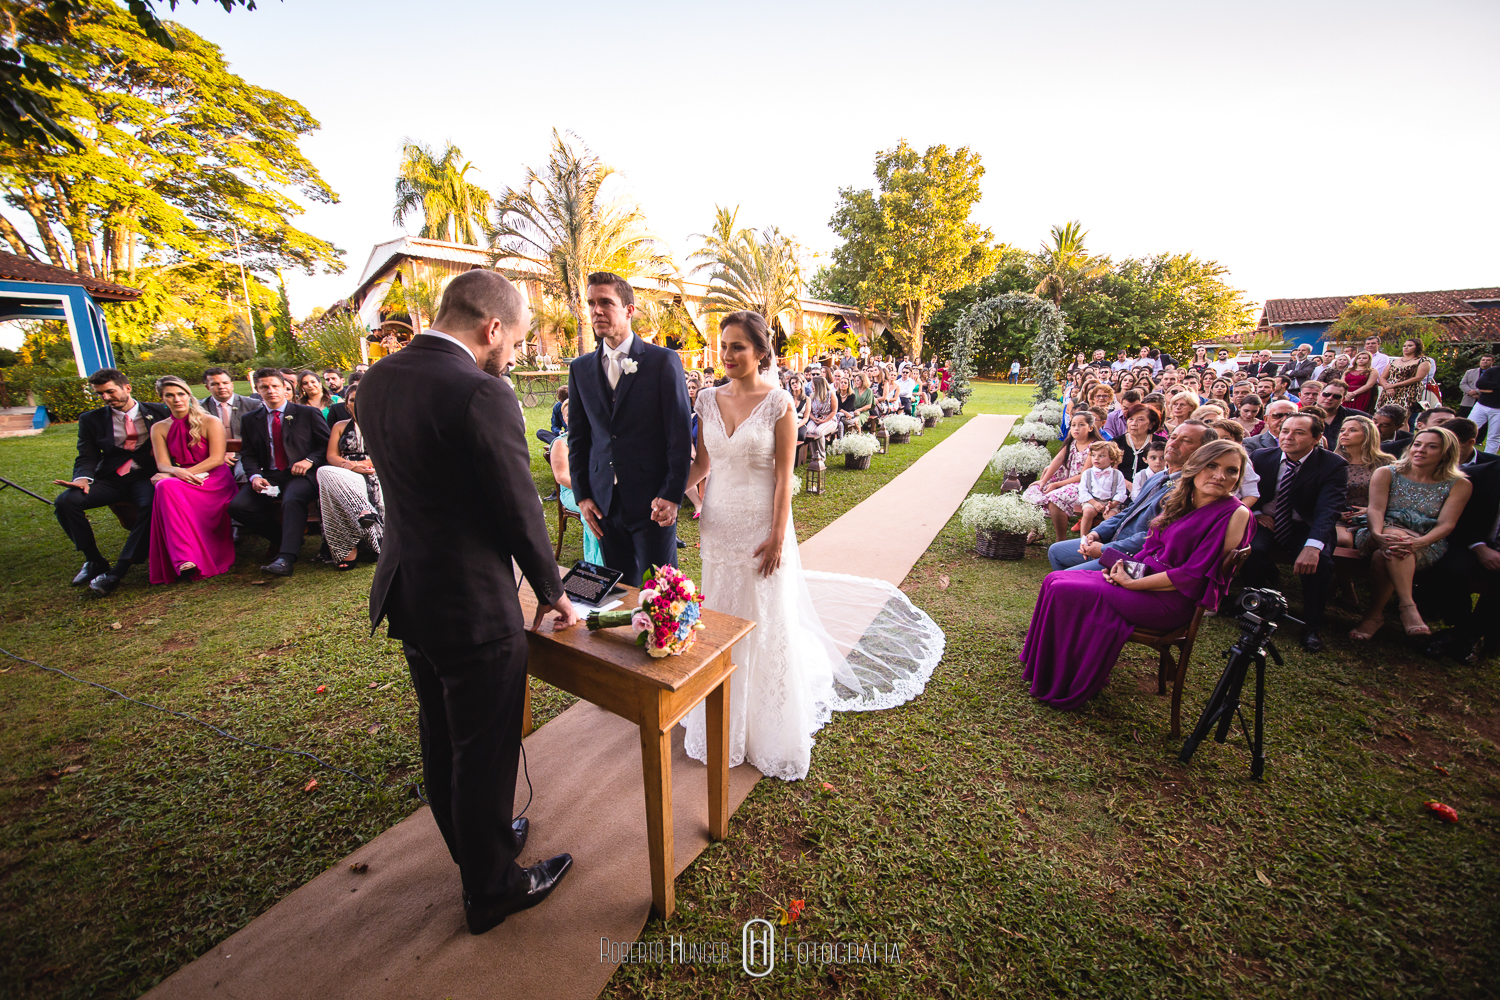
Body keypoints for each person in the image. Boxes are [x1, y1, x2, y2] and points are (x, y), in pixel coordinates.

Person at [358, 269, 578, 935]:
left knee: (442, 736)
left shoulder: (377, 380)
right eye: (512, 341)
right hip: (471, 603)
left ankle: (476, 845)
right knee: (484, 749)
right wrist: (554, 591)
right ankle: (492, 890)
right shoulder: (481, 391)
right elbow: (518, 508)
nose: (512, 354)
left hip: (408, 591)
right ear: (490, 328)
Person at [681, 311, 942, 779]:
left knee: (763, 620)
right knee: (721, 616)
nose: (728, 355)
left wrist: (778, 535)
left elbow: (785, 476)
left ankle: (765, 726)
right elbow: (703, 462)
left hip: (764, 525)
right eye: (723, 346)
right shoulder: (705, 399)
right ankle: (720, 715)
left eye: (738, 346)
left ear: (761, 352)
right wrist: (670, 492)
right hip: (718, 527)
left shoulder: (779, 402)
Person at [1022, 440, 1254, 710]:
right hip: (1143, 577)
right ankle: (1044, 665)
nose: (1219, 476)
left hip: (1170, 599)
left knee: (1065, 589)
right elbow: (1151, 549)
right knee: (1054, 579)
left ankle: (1066, 679)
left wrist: (1134, 583)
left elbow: (1193, 576)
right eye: (1212, 466)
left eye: (1231, 471)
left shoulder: (1235, 514)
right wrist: (1119, 569)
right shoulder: (1183, 499)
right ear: (1195, 467)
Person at [566, 271, 692, 588]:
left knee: (663, 591)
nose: (596, 310)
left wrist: (672, 496)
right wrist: (582, 495)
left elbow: (678, 436)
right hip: (604, 503)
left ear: (629, 310)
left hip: (653, 503)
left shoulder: (663, 362)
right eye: (592, 303)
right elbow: (578, 439)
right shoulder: (579, 369)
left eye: (606, 302)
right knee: (619, 590)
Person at [52, 368, 170, 596]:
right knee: (66, 502)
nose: (106, 398)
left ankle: (122, 566)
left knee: (150, 505)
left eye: (110, 392)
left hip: (147, 476)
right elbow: (87, 454)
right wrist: (83, 479)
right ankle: (94, 560)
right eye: (100, 394)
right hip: (111, 478)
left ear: (127, 388)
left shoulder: (160, 411)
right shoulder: (91, 419)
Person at [1047, 420, 1218, 572]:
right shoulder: (1159, 476)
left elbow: (1152, 536)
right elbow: (1129, 512)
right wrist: (1096, 534)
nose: (1173, 444)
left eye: (1186, 441)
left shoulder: (1189, 489)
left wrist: (1105, 549)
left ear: (1202, 452)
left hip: (1136, 559)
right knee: (1056, 551)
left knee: (1062, 580)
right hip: (1114, 541)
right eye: (1173, 437)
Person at [1349, 427, 1471, 640]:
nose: (1421, 450)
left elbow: (1445, 525)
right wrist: (1377, 534)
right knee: (1394, 540)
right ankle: (1408, 606)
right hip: (1377, 532)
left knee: (1385, 554)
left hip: (1424, 542)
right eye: (1417, 444)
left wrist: (1419, 542)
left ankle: (1374, 616)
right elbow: (1376, 510)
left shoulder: (1459, 484)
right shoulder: (1387, 472)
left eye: (1431, 446)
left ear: (1446, 452)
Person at [1245, 411, 1348, 651]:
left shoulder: (1333, 464)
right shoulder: (1261, 456)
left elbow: (1328, 509)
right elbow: (1248, 491)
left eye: (1299, 432)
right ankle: (1254, 607)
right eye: (1285, 431)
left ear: (1316, 438)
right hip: (1267, 520)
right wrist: (1258, 514)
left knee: (1319, 562)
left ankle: (1312, 625)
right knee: (1252, 549)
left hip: (1306, 525)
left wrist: (1313, 546)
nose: (1288, 437)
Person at [228, 368, 332, 576]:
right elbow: (248, 454)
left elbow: (327, 446)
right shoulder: (250, 419)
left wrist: (309, 460)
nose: (271, 391)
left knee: (292, 499)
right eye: (264, 387)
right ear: (257, 390)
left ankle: (285, 558)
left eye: (275, 386)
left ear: (285, 389)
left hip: (301, 474)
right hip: (270, 475)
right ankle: (285, 538)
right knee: (238, 507)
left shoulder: (307, 413)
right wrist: (255, 476)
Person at [1422, 417, 1500, 660]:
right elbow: (1460, 519)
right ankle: (1465, 629)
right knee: (1448, 568)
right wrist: (1479, 547)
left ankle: (1464, 635)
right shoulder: (1480, 475)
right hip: (1474, 545)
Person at [145, 375, 235, 584]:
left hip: (213, 479)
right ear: (163, 399)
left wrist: (186, 473)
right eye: (170, 395)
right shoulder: (159, 427)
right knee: (166, 485)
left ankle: (186, 555)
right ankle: (183, 558)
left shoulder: (210, 421)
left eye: (180, 394)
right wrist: (177, 472)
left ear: (189, 395)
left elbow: (216, 458)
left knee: (166, 485)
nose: (176, 399)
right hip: (182, 478)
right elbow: (163, 464)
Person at [317, 384, 383, 571]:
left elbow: (388, 452)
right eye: (352, 399)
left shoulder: (382, 423)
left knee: (368, 481)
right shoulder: (340, 426)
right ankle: (362, 512)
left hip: (375, 469)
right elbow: (331, 456)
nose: (356, 402)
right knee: (324, 472)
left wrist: (364, 465)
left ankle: (362, 543)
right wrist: (352, 466)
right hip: (346, 469)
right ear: (346, 405)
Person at [1023, 412, 1103, 541]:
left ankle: (1061, 538)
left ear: (1090, 428)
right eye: (1073, 425)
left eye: (1081, 425)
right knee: (1032, 491)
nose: (1076, 428)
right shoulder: (1072, 443)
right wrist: (1043, 480)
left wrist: (1057, 484)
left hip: (1084, 486)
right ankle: (1036, 530)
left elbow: (1084, 475)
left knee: (1055, 498)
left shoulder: (1094, 447)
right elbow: (1058, 459)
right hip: (1066, 481)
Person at [549, 399, 604, 567]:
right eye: (568, 415)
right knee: (596, 509)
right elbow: (561, 477)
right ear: (564, 419)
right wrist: (587, 490)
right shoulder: (561, 443)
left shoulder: (596, 438)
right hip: (573, 491)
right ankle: (596, 564)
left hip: (598, 489)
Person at [1332, 414, 1392, 549]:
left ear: (1368, 435)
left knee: (1376, 542)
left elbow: (1396, 494)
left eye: (1352, 430)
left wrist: (1371, 510)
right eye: (1342, 430)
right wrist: (1337, 513)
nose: (1345, 434)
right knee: (1343, 541)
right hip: (1339, 515)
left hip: (1375, 515)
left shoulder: (1385, 462)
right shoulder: (1332, 460)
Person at [200, 366, 263, 480]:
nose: (221, 387)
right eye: (215, 384)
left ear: (232, 384)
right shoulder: (200, 408)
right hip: (211, 455)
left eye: (225, 382)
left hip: (244, 454)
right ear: (207, 387)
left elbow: (260, 435)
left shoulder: (253, 405)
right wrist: (218, 455)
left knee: (244, 474)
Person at [1076, 441, 1128, 536]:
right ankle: (1083, 538)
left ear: (1111, 459)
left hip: (1110, 502)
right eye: (1094, 455)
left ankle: (1107, 539)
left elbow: (1121, 492)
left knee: (1111, 517)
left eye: (1101, 456)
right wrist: (1094, 503)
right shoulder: (1087, 473)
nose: (1096, 458)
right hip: (1092, 500)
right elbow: (1083, 491)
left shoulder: (1117, 474)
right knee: (1088, 512)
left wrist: (1113, 504)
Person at [1379, 338, 1432, 427]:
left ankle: (1403, 439)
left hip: (1408, 392)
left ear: (1417, 347)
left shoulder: (1423, 361)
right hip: (1389, 391)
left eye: (1410, 346)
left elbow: (1419, 377)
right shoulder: (1394, 361)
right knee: (1384, 417)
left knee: (1402, 419)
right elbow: (1383, 377)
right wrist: (1388, 387)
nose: (1406, 348)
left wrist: (1394, 385)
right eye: (1404, 346)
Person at [1114, 403, 1162, 484]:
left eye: (1140, 420)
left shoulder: (1160, 443)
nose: (1133, 424)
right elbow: (1113, 472)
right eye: (1131, 419)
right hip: (1121, 488)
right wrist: (1130, 487)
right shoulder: (1116, 443)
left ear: (1151, 424)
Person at [1313, 380, 1360, 445]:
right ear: (1319, 394)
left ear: (1343, 400)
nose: (1330, 398)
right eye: (1326, 394)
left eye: (1336, 396)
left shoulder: (1354, 416)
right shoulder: (1303, 415)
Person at [1471, 355, 1500, 453]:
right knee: (1467, 429)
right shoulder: (1493, 371)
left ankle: (1488, 460)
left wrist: (1491, 389)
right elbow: (1480, 384)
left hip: (1498, 410)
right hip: (1482, 406)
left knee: (1494, 436)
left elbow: (1483, 387)